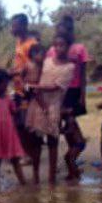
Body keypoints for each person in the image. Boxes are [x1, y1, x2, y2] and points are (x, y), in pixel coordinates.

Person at [26, 33, 75, 184]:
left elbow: (55, 86)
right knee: (36, 143)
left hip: (54, 106)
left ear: (68, 47)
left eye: (62, 45)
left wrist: (34, 86)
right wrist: (32, 86)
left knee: (53, 142)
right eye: (56, 45)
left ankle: (51, 178)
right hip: (38, 104)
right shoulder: (46, 61)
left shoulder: (70, 67)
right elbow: (33, 74)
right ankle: (35, 176)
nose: (59, 48)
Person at [50, 16, 90, 180]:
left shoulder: (79, 49)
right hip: (59, 93)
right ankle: (70, 164)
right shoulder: (52, 50)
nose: (62, 31)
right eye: (59, 28)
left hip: (74, 92)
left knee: (70, 128)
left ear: (71, 31)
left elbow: (83, 74)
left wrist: (82, 95)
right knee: (68, 129)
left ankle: (71, 164)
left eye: (65, 29)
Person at [10, 14, 39, 98]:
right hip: (18, 87)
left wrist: (13, 73)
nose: (12, 29)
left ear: (23, 26)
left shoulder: (33, 44)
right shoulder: (19, 41)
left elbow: (33, 69)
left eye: (14, 26)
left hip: (28, 87)